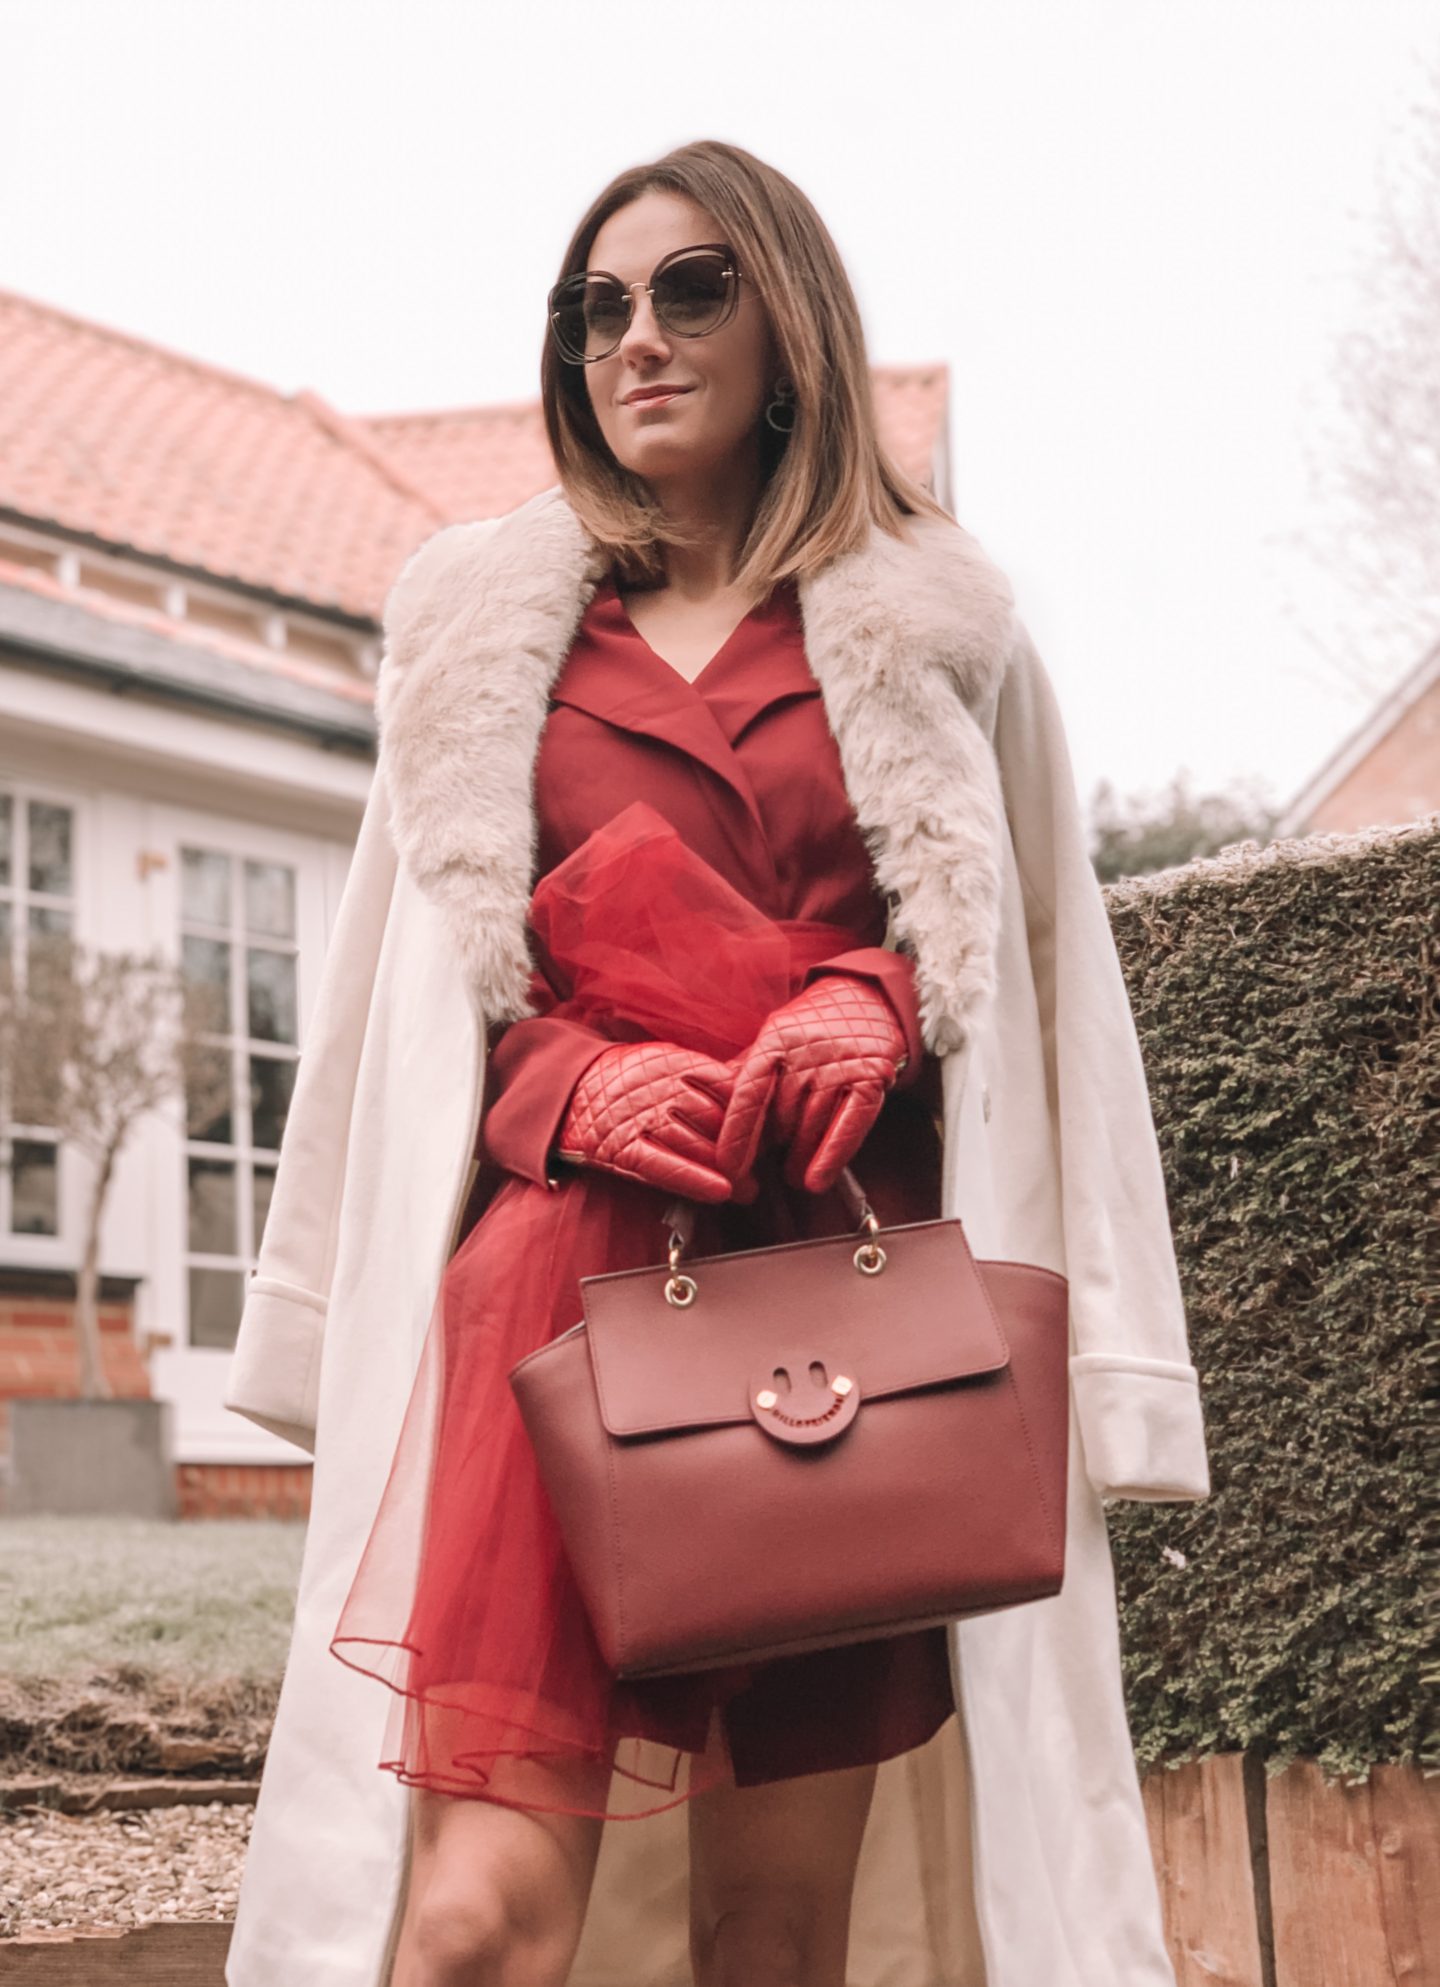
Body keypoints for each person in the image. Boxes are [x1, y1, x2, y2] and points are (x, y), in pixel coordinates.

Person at [223, 140, 1210, 1987]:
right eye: (598, 307)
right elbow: (419, 1005)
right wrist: (562, 1091)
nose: (637, 341)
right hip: (556, 1312)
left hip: (849, 1332)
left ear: (791, 329)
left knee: (776, 1938)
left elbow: (1034, 981)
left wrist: (879, 1004)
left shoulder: (941, 626)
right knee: (463, 1929)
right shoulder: (479, 635)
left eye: (690, 291)